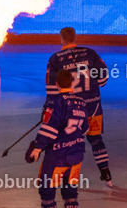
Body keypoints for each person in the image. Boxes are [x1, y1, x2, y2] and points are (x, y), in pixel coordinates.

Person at [26, 69, 88, 208]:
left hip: (57, 158)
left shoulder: (56, 102)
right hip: (76, 156)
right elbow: (84, 129)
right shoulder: (81, 102)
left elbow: (49, 129)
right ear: (72, 82)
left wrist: (37, 148)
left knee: (47, 192)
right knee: (70, 195)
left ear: (57, 83)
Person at [45, 27, 113, 186]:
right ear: (75, 37)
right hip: (93, 107)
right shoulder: (90, 53)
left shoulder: (55, 59)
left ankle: (69, 180)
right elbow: (103, 79)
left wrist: (49, 112)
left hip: (71, 111)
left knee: (70, 144)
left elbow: (52, 90)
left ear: (61, 39)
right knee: (96, 141)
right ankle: (106, 173)